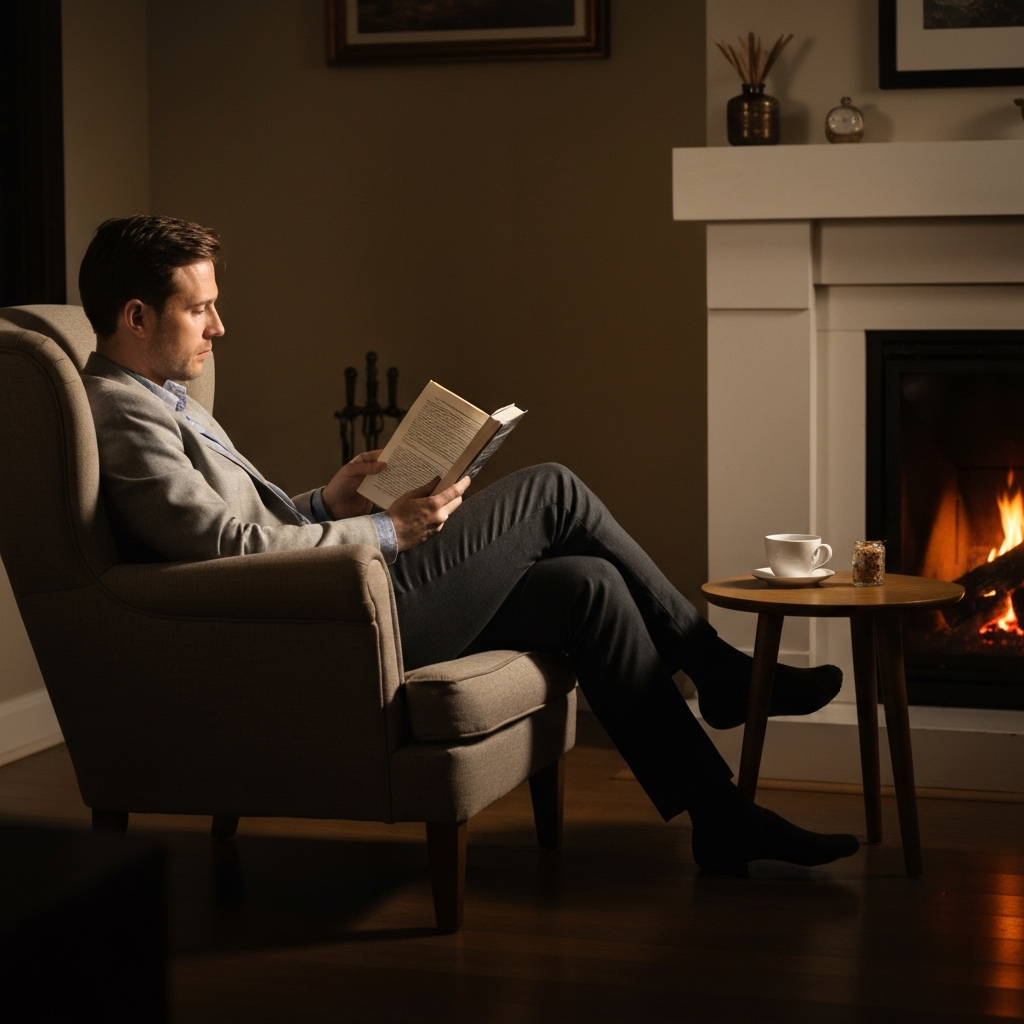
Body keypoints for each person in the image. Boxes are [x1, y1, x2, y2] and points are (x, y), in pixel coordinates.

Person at [80, 215, 859, 875]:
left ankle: (719, 816)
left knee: (586, 583)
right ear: (138, 316)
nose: (220, 326)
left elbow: (251, 523)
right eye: (200, 309)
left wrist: (328, 498)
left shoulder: (164, 395)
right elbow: (223, 548)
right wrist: (390, 528)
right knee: (552, 488)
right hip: (329, 629)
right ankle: (715, 667)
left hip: (332, 599)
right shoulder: (122, 412)